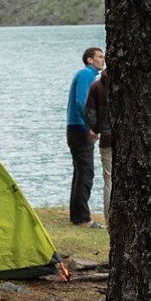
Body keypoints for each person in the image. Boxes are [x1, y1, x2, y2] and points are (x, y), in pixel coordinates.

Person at [67, 46, 104, 226]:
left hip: (75, 129)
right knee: (86, 172)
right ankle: (83, 218)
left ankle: (77, 215)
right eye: (99, 56)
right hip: (80, 130)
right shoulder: (86, 74)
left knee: (80, 172)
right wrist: (90, 126)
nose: (102, 60)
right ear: (90, 59)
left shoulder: (88, 75)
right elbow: (81, 100)